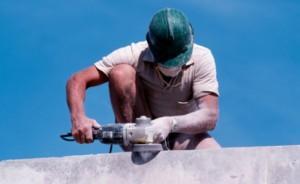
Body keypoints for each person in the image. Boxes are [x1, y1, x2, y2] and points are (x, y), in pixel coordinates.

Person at [66, 8, 221, 150]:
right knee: (121, 73)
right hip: (143, 138)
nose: (172, 66)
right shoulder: (134, 54)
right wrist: (78, 118)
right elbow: (77, 80)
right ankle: (139, 147)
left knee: (218, 161)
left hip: (185, 135)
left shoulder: (202, 57)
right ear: (152, 48)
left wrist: (170, 123)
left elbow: (210, 116)